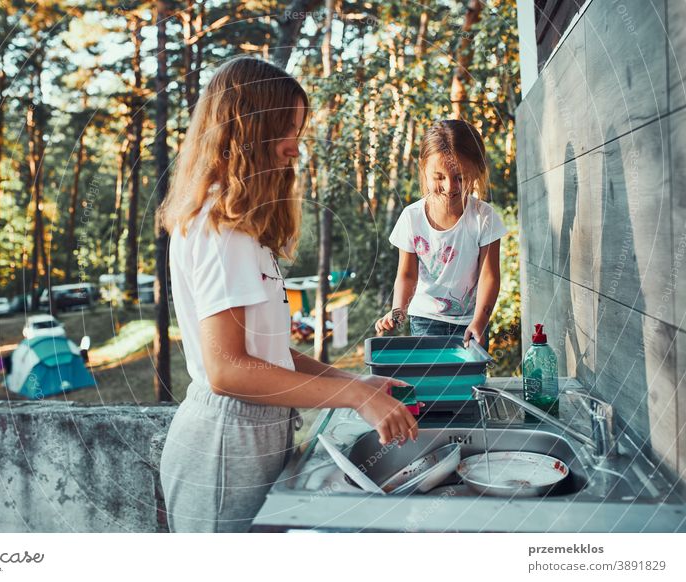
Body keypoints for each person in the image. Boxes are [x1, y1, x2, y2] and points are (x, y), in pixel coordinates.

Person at [157, 57, 418, 533]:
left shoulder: (240, 228)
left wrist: (354, 382)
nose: (295, 148)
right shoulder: (222, 229)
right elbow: (226, 369)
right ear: (249, 130)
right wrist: (352, 395)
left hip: (250, 436)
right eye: (286, 130)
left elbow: (267, 354)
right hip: (224, 447)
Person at [375, 119, 507, 349]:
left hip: (471, 321)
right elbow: (407, 275)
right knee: (432, 379)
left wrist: (480, 321)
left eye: (460, 177)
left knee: (469, 381)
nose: (450, 187)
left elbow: (490, 276)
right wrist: (398, 312)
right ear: (423, 168)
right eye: (439, 177)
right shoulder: (411, 217)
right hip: (425, 320)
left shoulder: (484, 217)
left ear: (476, 171)